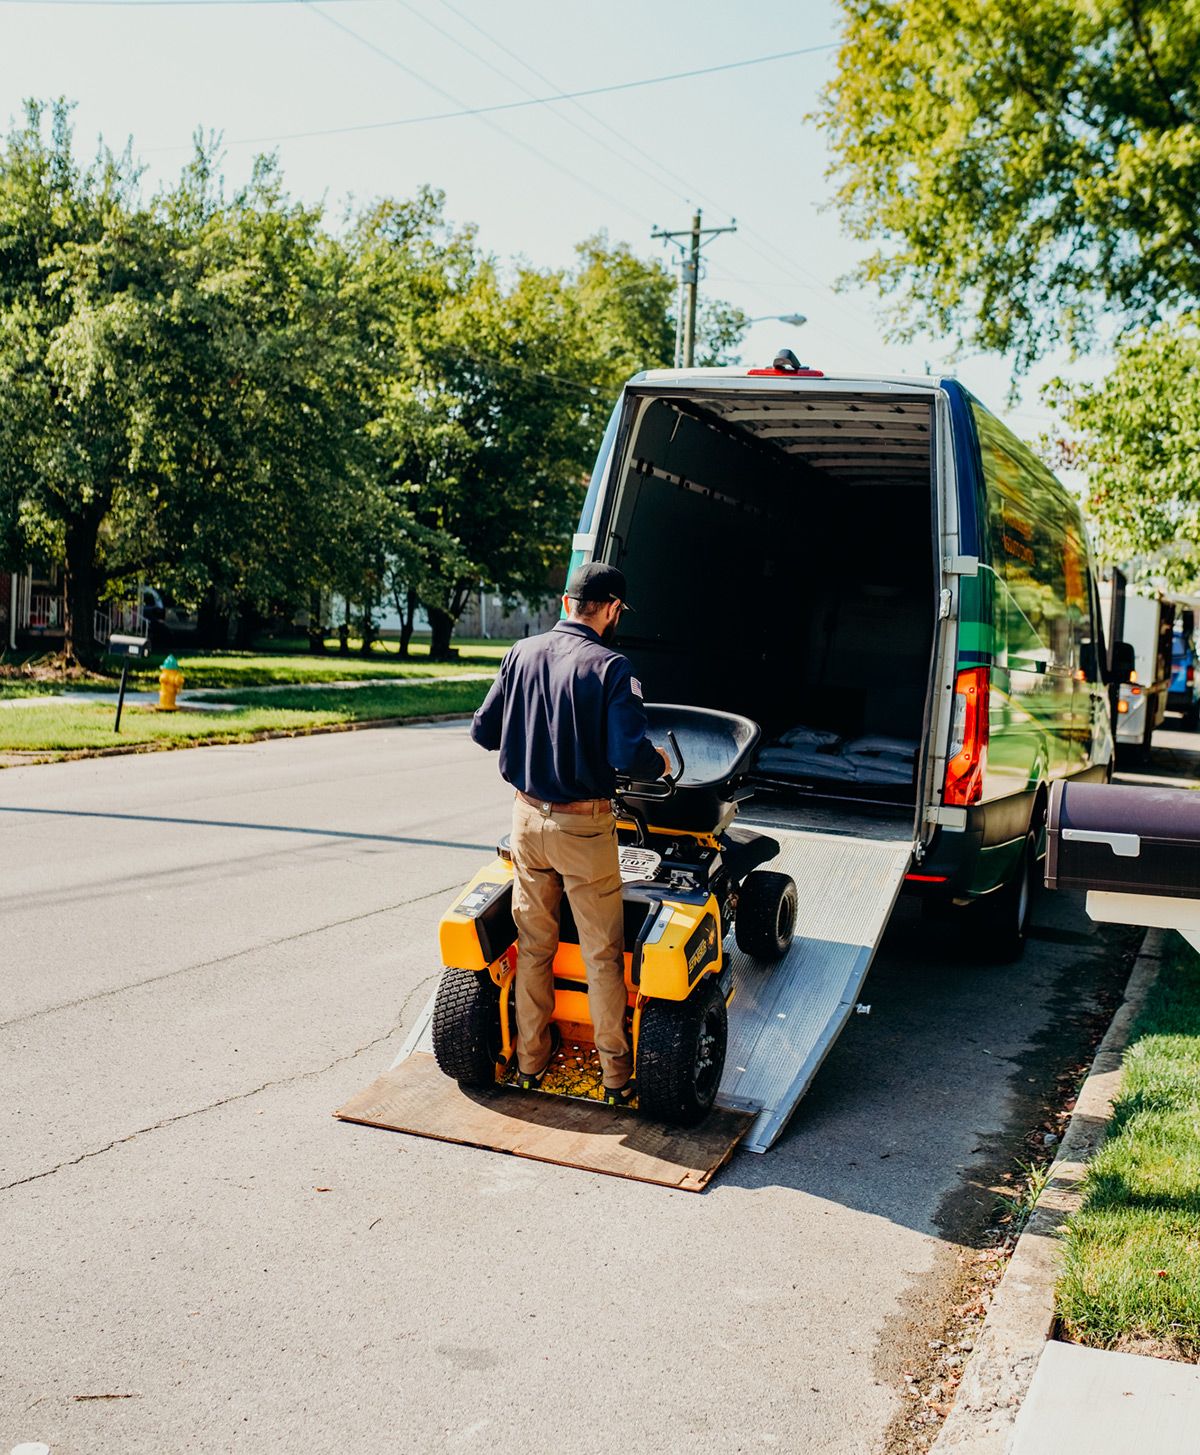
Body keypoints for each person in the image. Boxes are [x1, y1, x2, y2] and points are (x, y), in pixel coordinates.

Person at [469, 562, 670, 1103]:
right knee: (601, 953)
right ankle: (614, 1077)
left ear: (565, 602)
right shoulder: (612, 667)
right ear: (610, 609)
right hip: (583, 826)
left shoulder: (521, 653)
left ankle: (531, 1063)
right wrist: (661, 765)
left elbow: (483, 731)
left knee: (534, 945)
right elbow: (628, 754)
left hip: (525, 821)